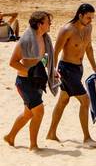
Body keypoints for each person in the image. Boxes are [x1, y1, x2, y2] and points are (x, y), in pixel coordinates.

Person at [46, 3, 96, 144]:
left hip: (78, 69)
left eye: (92, 18)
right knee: (85, 100)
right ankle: (87, 137)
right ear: (80, 15)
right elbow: (55, 52)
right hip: (66, 69)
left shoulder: (89, 28)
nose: (90, 20)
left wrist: (95, 68)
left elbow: (89, 48)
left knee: (63, 100)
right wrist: (53, 71)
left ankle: (51, 133)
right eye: (88, 17)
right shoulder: (67, 30)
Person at [4, 11, 57, 150]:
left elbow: (42, 59)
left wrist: (52, 71)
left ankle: (10, 137)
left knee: (28, 114)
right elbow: (12, 62)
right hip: (25, 82)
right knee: (39, 111)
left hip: (37, 81)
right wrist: (30, 72)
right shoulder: (26, 41)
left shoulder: (44, 38)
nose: (50, 24)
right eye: (48, 22)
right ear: (40, 24)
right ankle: (33, 145)